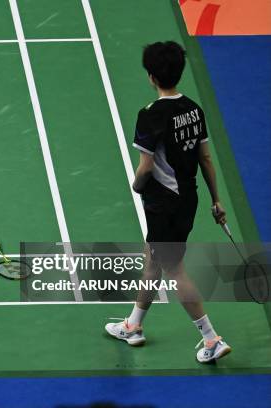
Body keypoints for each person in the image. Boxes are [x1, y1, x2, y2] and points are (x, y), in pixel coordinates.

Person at [104, 41, 231, 363]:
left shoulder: (150, 116)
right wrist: (217, 201)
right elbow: (205, 158)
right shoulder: (194, 110)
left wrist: (135, 185)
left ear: (150, 76)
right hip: (188, 199)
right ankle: (133, 325)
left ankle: (211, 338)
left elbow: (146, 167)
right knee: (154, 259)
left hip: (163, 202)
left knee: (173, 268)